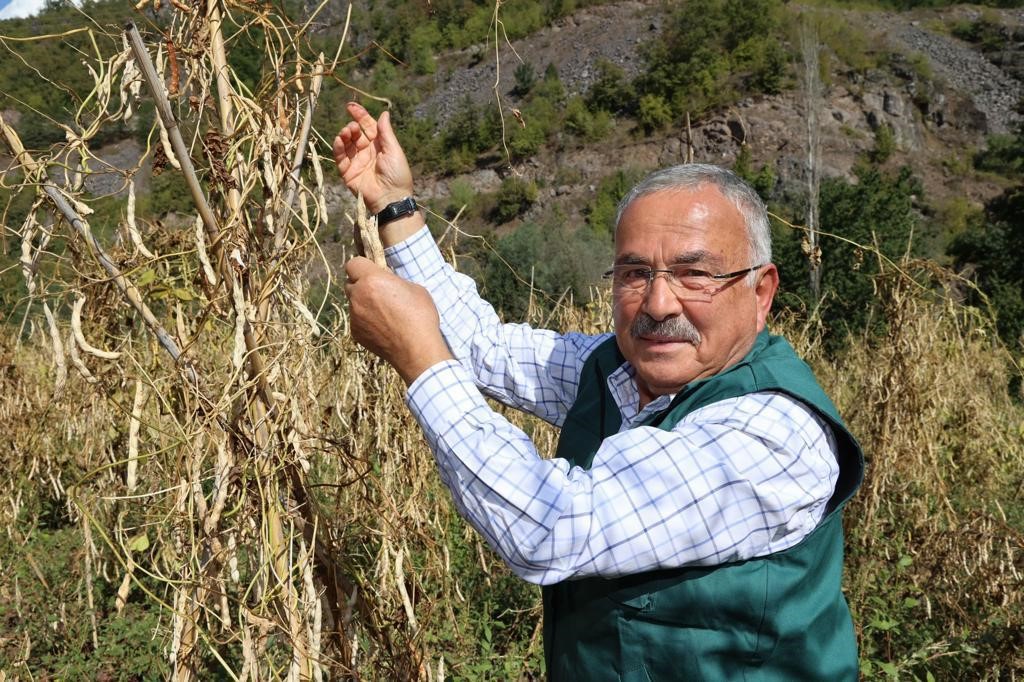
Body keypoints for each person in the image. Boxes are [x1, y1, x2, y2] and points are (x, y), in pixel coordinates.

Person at [334, 101, 863, 681]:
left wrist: (419, 359)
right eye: (635, 274)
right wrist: (395, 206)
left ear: (761, 292)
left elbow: (549, 528)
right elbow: (482, 346)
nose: (659, 304)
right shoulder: (615, 371)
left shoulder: (770, 437)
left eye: (696, 275)